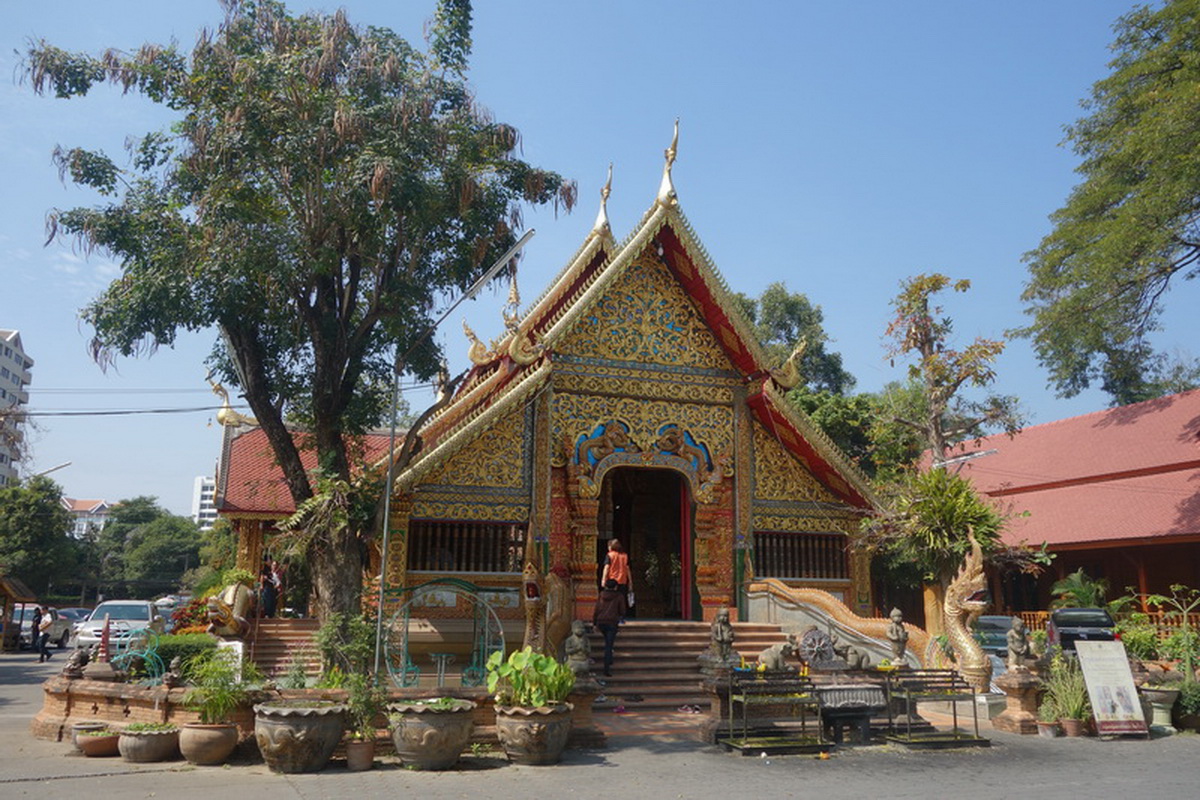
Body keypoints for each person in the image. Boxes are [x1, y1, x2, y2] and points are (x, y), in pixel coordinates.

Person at [592, 580, 627, 677]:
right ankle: (606, 668)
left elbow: (597, 609)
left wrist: (594, 623)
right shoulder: (619, 596)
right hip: (612, 622)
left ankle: (609, 659)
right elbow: (622, 610)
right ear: (615, 587)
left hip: (601, 621)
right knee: (609, 645)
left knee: (608, 642)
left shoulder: (601, 595)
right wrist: (620, 616)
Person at [600, 538, 630, 612]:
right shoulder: (625, 556)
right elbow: (627, 569)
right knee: (621, 599)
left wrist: (603, 579)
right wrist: (630, 582)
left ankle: (612, 613)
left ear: (611, 546)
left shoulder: (610, 555)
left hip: (612, 581)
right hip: (622, 580)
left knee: (611, 599)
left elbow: (606, 568)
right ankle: (621, 614)